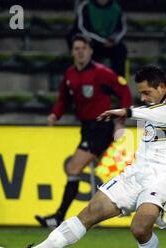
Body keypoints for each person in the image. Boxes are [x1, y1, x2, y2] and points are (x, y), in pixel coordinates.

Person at [11, 65, 166, 248]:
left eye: (147, 92)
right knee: (91, 211)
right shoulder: (153, 107)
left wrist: (127, 112)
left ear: (162, 87)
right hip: (136, 172)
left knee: (139, 228)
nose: (142, 97)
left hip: (163, 177)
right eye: (140, 93)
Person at [35, 34, 132, 229]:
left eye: (83, 48)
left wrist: (120, 120)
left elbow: (125, 92)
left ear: (90, 51)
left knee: (73, 168)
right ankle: (135, 205)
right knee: (116, 170)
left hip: (102, 127)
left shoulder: (102, 72)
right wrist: (55, 115)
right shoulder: (70, 75)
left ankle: (59, 217)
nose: (80, 51)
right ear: (72, 51)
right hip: (87, 128)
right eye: (76, 48)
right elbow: (63, 99)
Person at [67, 0, 128, 76]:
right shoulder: (85, 6)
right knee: (84, 48)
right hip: (92, 42)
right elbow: (82, 28)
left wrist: (113, 39)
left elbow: (122, 28)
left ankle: (118, 83)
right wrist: (102, 41)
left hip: (111, 42)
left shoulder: (117, 7)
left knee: (121, 50)